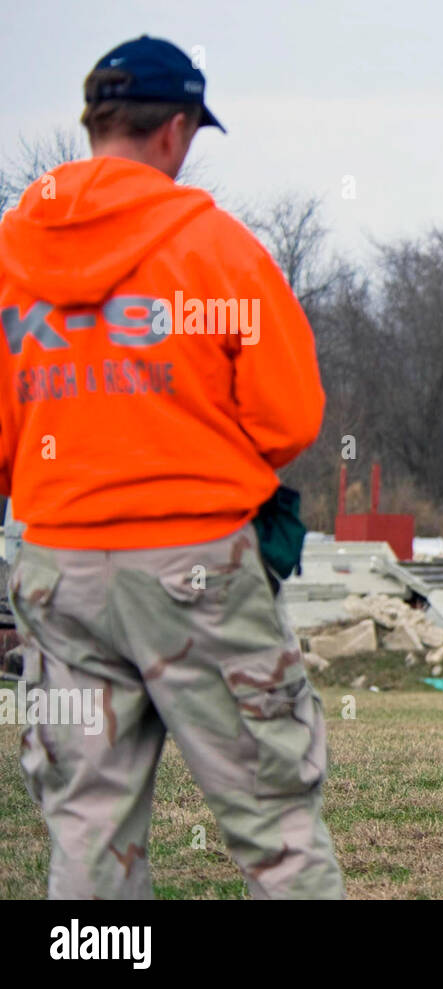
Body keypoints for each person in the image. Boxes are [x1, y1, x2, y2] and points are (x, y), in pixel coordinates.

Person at [0, 36, 343, 897]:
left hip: (58, 574)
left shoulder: (11, 254)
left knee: (87, 827)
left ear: (93, 123)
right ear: (176, 130)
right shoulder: (217, 249)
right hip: (198, 568)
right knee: (275, 821)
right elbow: (289, 415)